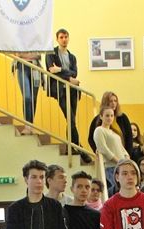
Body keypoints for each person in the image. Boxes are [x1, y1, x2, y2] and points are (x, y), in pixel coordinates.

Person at [45, 29, 91, 162]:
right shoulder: (51, 53)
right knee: (70, 118)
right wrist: (68, 78)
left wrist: (60, 70)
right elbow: (51, 70)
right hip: (60, 91)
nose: (64, 39)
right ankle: (80, 149)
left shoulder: (72, 57)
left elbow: (74, 72)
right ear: (57, 39)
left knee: (71, 121)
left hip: (72, 91)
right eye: (61, 37)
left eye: (66, 37)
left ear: (68, 38)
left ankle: (70, 148)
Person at [93, 106, 128, 195]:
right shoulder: (99, 130)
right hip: (111, 167)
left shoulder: (114, 132)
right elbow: (103, 149)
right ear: (101, 116)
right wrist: (118, 161)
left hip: (121, 166)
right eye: (107, 115)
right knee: (116, 192)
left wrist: (127, 159)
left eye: (112, 115)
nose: (110, 118)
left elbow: (122, 149)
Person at [87, 91, 134, 157]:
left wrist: (128, 155)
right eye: (110, 101)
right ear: (105, 102)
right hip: (106, 158)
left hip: (122, 156)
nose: (113, 103)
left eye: (115, 101)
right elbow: (91, 138)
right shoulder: (97, 119)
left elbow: (129, 137)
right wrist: (97, 151)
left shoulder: (122, 117)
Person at [13, 52, 42, 134]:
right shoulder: (19, 39)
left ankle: (31, 126)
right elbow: (16, 54)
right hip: (22, 66)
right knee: (27, 97)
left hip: (35, 68)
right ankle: (27, 126)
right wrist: (31, 55)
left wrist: (23, 55)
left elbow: (39, 55)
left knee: (34, 98)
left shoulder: (35, 39)